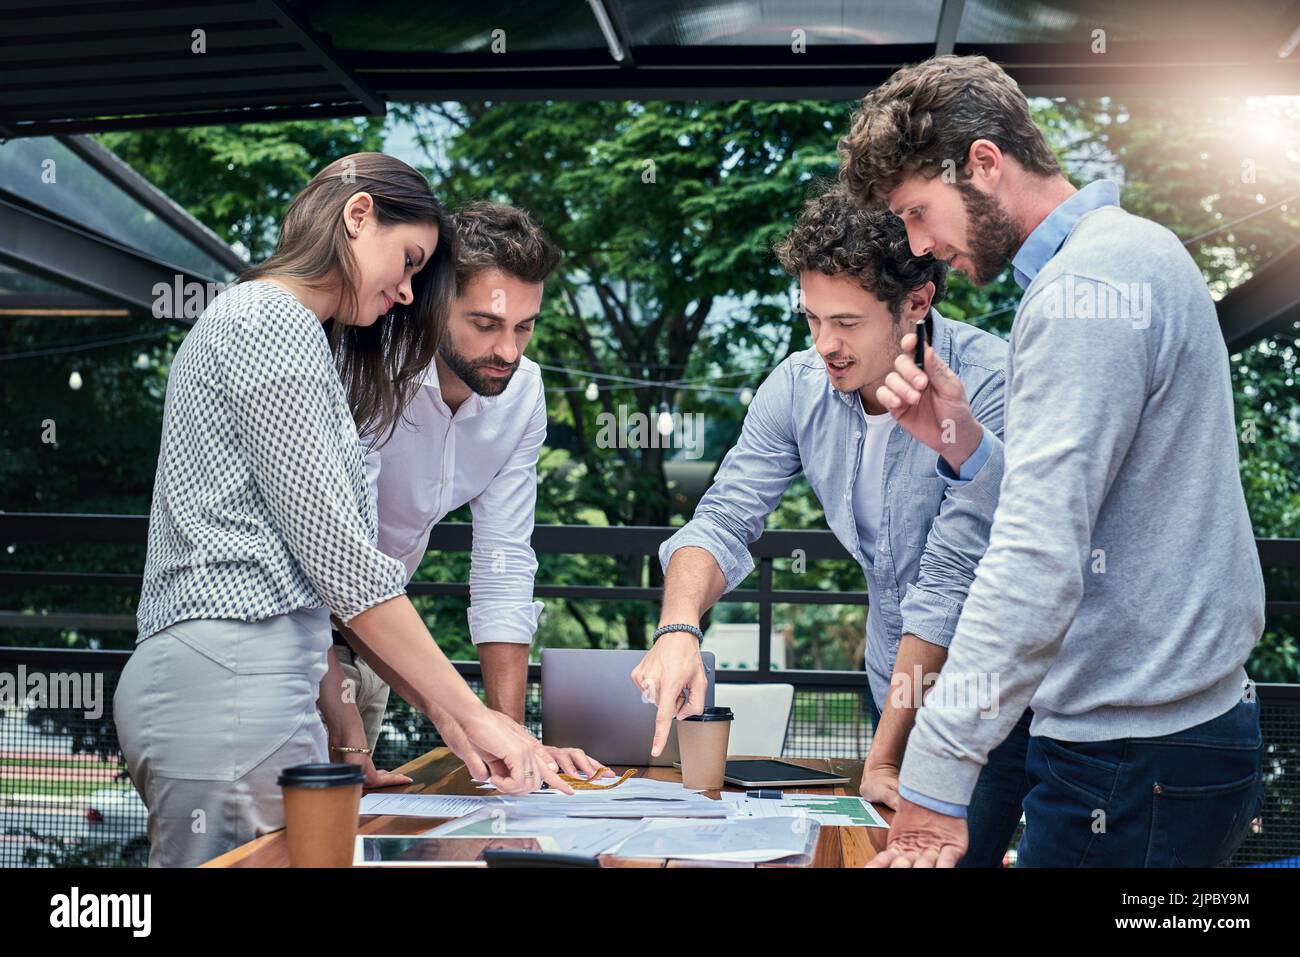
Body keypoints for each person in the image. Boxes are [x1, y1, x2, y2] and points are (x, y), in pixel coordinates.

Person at [841, 55, 1266, 867]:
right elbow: (1100, 507)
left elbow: (1039, 557)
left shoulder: (1085, 289)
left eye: (919, 213)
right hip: (1161, 745)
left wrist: (934, 771)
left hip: (1135, 757)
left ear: (984, 164)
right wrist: (962, 441)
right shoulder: (1128, 252)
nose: (922, 248)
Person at [114, 153, 577, 868]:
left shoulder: (295, 332)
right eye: (410, 259)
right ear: (358, 215)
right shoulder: (270, 321)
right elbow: (345, 564)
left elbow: (338, 564)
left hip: (257, 676)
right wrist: (470, 716)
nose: (406, 289)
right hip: (230, 674)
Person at [632, 186, 1029, 866]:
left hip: (995, 702)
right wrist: (678, 628)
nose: (824, 345)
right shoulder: (797, 386)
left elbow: (949, 579)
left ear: (916, 304)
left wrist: (885, 757)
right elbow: (725, 516)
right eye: (812, 318)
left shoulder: (988, 381)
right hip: (895, 685)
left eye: (846, 322)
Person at [328, 200, 606, 782]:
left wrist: (510, 740)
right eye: (486, 324)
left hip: (380, 643)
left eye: (524, 327)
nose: (509, 351)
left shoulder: (524, 393)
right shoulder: (363, 367)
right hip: (291, 631)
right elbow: (341, 562)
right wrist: (461, 715)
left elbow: (503, 562)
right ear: (432, 304)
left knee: (345, 834)